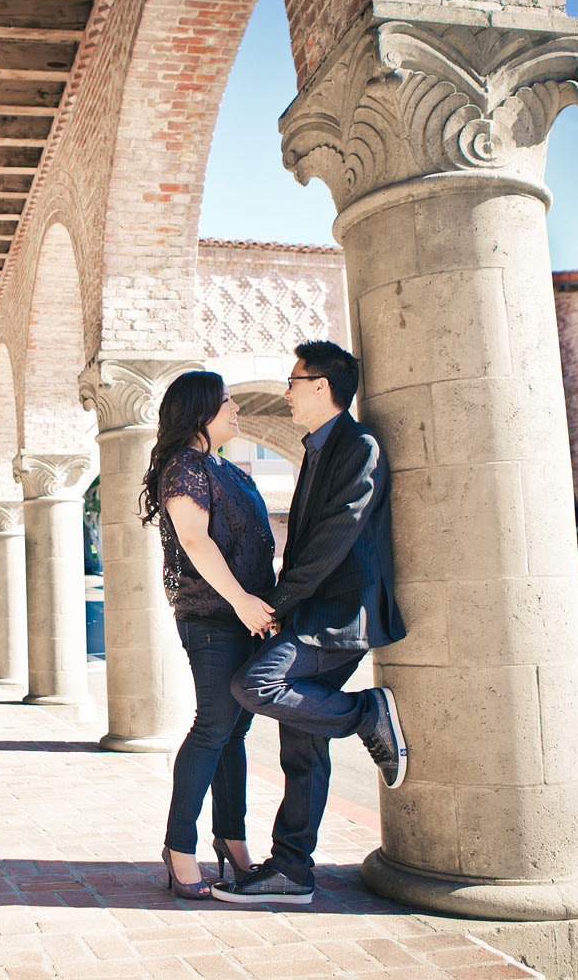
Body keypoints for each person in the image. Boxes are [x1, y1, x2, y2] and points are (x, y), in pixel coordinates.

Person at [211, 340, 408, 906]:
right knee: (301, 747)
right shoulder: (319, 447)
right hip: (311, 610)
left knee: (256, 685)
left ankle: (368, 713)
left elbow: (333, 540)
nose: (287, 391)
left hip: (341, 614)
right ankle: (293, 869)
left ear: (322, 386)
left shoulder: (358, 446)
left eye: (294, 381)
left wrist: (277, 604)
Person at [139, 370, 278, 899]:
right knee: (213, 726)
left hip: (247, 617)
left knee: (234, 732)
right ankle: (179, 849)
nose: (237, 406)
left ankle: (233, 843)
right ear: (200, 413)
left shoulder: (228, 469)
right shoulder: (184, 468)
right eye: (226, 401)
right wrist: (242, 602)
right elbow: (195, 541)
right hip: (213, 618)